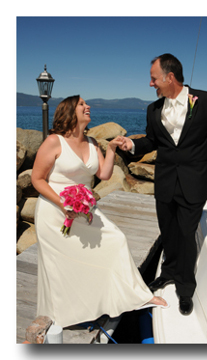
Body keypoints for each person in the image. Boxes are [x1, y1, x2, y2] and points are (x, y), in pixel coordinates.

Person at [31, 95, 168, 329]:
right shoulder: (54, 142)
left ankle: (136, 296)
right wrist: (63, 203)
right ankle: (64, 315)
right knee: (61, 264)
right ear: (69, 111)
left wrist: (112, 147)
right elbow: (37, 179)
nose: (88, 106)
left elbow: (103, 174)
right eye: (82, 104)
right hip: (55, 212)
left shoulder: (93, 142)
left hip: (85, 210)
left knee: (116, 241)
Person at [119, 53, 207, 316]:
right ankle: (168, 272)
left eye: (153, 78)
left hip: (193, 182)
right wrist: (133, 145)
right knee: (168, 231)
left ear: (170, 77)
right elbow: (151, 141)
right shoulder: (153, 109)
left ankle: (185, 288)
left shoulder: (205, 101)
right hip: (165, 183)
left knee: (185, 233)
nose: (151, 84)